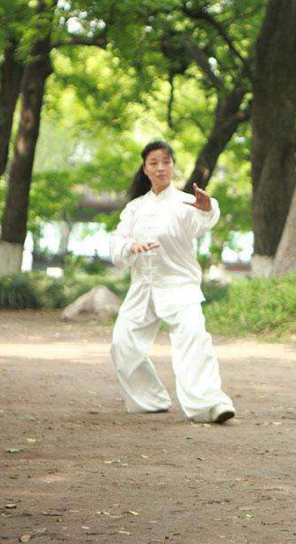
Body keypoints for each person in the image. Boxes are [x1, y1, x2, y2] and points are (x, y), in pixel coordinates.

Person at [109, 140, 235, 424]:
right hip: (143, 287)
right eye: (153, 162)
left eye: (166, 161)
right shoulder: (134, 208)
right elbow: (117, 241)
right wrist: (131, 246)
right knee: (122, 343)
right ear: (145, 168)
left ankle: (211, 404)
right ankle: (150, 400)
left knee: (193, 337)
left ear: (173, 166)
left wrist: (206, 208)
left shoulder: (184, 203)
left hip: (179, 286)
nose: (160, 167)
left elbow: (200, 221)